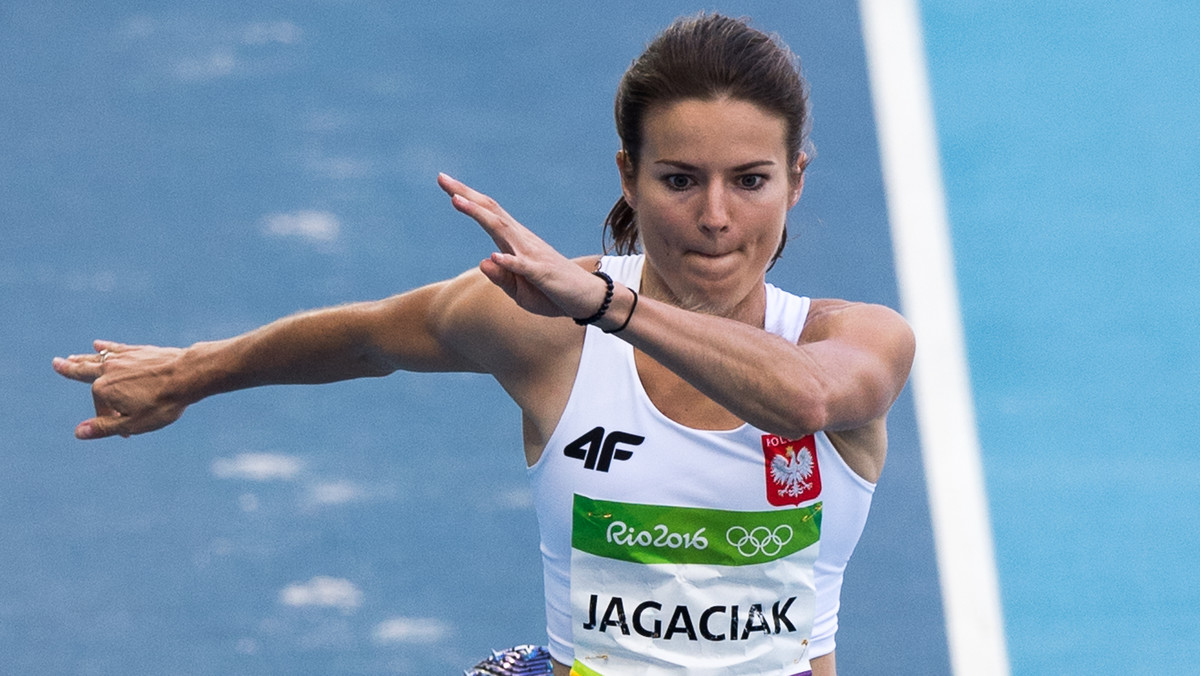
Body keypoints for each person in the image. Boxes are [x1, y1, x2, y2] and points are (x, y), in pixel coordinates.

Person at [53, 13, 913, 676]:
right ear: (630, 176)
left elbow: (803, 399)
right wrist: (189, 372)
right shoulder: (545, 328)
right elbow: (370, 338)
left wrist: (608, 302)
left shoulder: (856, 340)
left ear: (796, 180)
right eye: (680, 179)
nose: (716, 217)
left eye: (751, 181)